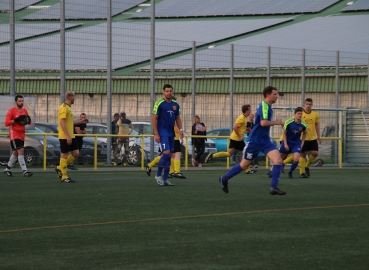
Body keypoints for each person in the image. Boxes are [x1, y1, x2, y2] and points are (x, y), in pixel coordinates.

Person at [219, 86, 286, 195]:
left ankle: (274, 188)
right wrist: (277, 122)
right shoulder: (264, 106)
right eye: (275, 94)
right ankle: (224, 178)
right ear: (268, 95)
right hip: (254, 141)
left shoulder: (267, 106)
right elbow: (263, 123)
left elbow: (257, 121)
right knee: (244, 165)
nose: (277, 96)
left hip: (265, 141)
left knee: (278, 161)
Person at [205, 104, 255, 174]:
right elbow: (235, 127)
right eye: (250, 110)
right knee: (245, 153)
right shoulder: (241, 118)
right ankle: (248, 170)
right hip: (237, 139)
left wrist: (247, 131)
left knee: (229, 154)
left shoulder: (244, 118)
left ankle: (212, 155)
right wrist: (240, 136)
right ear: (246, 110)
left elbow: (240, 128)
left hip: (234, 139)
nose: (250, 111)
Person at [152, 84, 184, 186]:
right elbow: (154, 119)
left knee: (170, 155)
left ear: (172, 92)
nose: (169, 93)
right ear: (163, 92)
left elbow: (178, 118)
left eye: (170, 91)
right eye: (167, 91)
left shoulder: (175, 104)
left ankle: (165, 178)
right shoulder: (159, 103)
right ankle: (158, 175)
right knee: (166, 153)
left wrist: (181, 130)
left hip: (171, 133)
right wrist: (156, 133)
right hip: (162, 132)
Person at [55, 91, 89, 183]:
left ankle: (59, 168)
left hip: (71, 135)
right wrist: (67, 136)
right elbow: (62, 122)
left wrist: (81, 122)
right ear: (71, 98)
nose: (75, 99)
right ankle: (64, 176)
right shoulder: (64, 107)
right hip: (65, 136)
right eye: (74, 97)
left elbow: (70, 122)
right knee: (64, 154)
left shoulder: (69, 108)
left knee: (76, 153)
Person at [268, 107, 307, 178]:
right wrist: (285, 144)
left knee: (296, 158)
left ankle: (290, 172)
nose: (300, 115)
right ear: (294, 114)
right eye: (298, 113)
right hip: (287, 142)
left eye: (301, 114)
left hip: (296, 143)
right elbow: (284, 133)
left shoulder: (304, 125)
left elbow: (304, 134)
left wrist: (302, 144)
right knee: (278, 157)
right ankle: (271, 171)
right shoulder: (288, 122)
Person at [3, 95, 33, 177]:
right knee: (21, 151)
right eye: (19, 101)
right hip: (14, 134)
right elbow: (6, 123)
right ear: (15, 102)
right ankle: (25, 171)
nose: (21, 102)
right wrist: (16, 119)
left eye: (22, 101)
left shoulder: (24, 110)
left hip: (21, 134)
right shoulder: (11, 111)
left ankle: (7, 169)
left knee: (16, 153)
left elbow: (28, 122)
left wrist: (28, 120)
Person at [299, 98, 321, 178]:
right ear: (304, 104)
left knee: (315, 153)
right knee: (303, 154)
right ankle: (302, 173)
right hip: (303, 137)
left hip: (312, 137)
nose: (308, 106)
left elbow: (317, 125)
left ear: (312, 105)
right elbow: (296, 123)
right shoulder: (300, 113)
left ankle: (307, 166)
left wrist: (318, 136)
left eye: (310, 104)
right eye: (307, 104)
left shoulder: (315, 114)